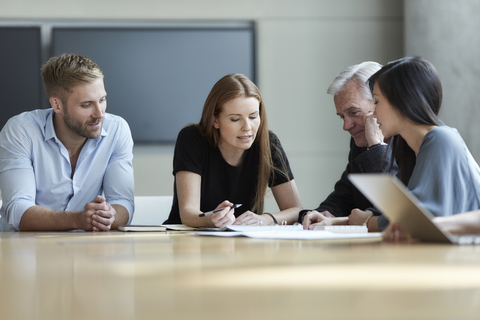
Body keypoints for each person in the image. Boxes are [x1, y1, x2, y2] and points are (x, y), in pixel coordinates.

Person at [0, 53, 134, 232]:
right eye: (86, 105)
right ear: (57, 105)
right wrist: (77, 220)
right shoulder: (20, 130)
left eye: (102, 100)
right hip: (25, 247)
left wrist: (109, 216)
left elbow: (122, 202)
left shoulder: (117, 129)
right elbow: (17, 209)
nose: (100, 114)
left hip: (87, 248)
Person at [164, 73, 302, 228]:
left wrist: (266, 219)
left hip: (243, 245)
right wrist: (211, 220)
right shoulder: (192, 139)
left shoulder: (269, 143)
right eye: (235, 119)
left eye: (253, 117)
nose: (247, 127)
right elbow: (188, 214)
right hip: (186, 242)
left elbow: (296, 210)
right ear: (215, 120)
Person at [368, 56, 480, 234]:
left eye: (376, 101)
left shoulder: (441, 138)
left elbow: (417, 217)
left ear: (401, 100)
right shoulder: (416, 147)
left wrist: (366, 221)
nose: (373, 114)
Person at [301, 61, 394, 231]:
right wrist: (324, 213)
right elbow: (345, 194)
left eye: (353, 113)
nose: (346, 125)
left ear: (380, 104)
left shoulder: (408, 140)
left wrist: (376, 148)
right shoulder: (360, 141)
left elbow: (392, 206)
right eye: (341, 116)